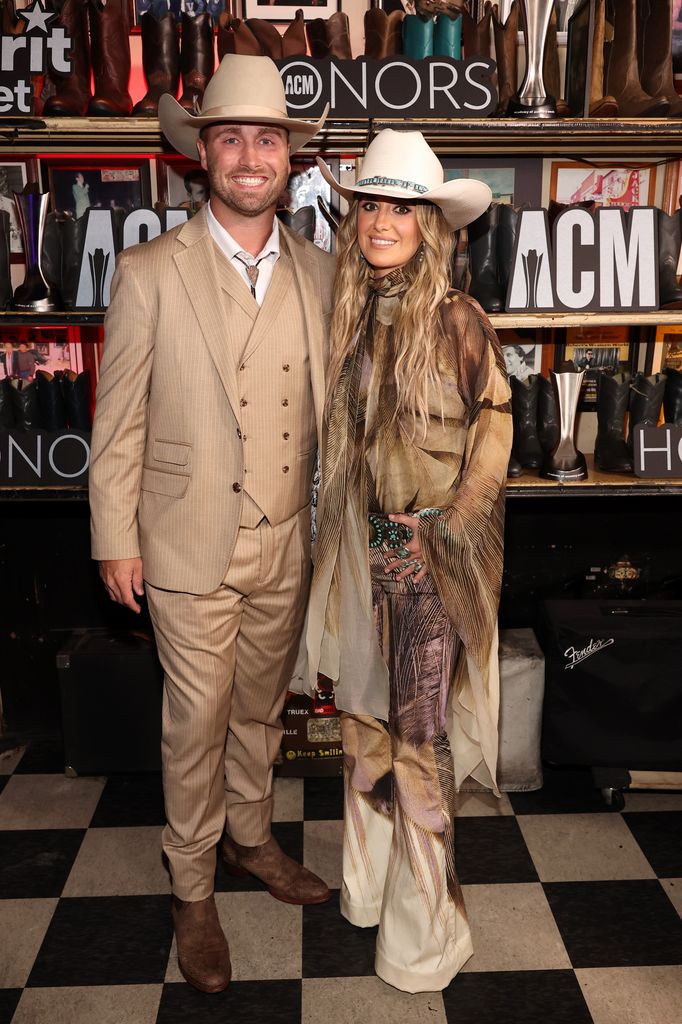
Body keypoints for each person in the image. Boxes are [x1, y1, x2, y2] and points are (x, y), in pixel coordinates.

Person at [89, 54, 334, 995]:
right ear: (203, 156)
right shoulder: (153, 271)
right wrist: (116, 536)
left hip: (285, 542)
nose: (248, 154)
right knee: (194, 721)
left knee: (261, 713)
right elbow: (120, 420)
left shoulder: (319, 273)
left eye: (266, 138)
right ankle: (192, 887)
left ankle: (251, 840)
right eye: (229, 136)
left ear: (287, 161)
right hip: (186, 541)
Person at [296, 129, 513, 993]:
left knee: (419, 744)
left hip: (428, 562)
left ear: (431, 224)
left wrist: (445, 529)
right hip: (358, 549)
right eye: (372, 205)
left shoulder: (460, 320)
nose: (383, 222)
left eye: (402, 209)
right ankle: (369, 895)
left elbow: (494, 436)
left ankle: (425, 939)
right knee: (364, 733)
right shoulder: (350, 315)